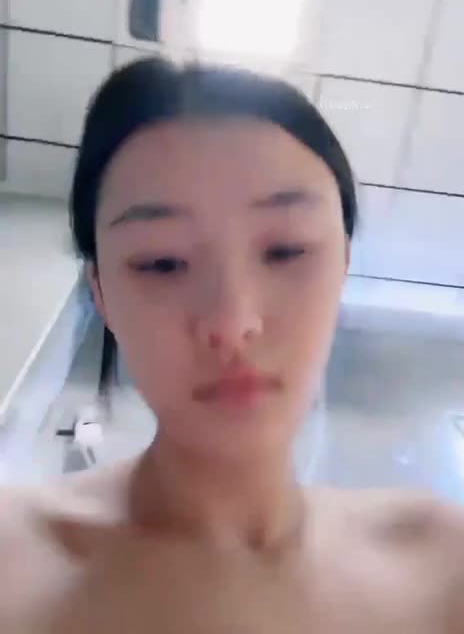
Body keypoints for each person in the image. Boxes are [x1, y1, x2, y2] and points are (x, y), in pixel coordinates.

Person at [1, 56, 463, 633]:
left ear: (343, 262)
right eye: (162, 263)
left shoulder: (443, 570)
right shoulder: (14, 566)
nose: (233, 320)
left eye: (286, 251)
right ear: (101, 294)